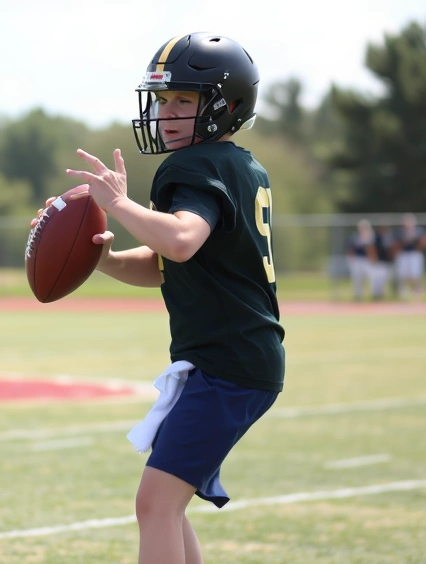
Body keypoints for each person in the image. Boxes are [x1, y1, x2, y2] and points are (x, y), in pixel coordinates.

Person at [33, 33, 284, 564]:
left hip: (229, 362)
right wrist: (100, 258)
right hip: (231, 358)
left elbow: (180, 240)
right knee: (167, 503)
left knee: (156, 504)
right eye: (163, 99)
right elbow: (164, 266)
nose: (167, 112)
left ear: (226, 105)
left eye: (184, 101)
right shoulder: (240, 165)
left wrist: (119, 204)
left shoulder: (192, 168)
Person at [395, 213, 426, 299]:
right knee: (402, 274)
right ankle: (403, 291)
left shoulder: (419, 231)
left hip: (415, 253)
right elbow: (396, 243)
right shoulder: (400, 232)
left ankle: (416, 291)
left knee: (415, 274)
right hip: (404, 254)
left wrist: (421, 244)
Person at [347, 219, 376, 301]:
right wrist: (351, 260)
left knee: (370, 277)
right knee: (357, 278)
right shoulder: (354, 237)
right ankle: (358, 295)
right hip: (357, 259)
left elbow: (371, 249)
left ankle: (373, 294)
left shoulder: (370, 237)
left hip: (366, 260)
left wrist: (372, 259)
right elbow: (351, 249)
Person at [371, 225, 395, 301]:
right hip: (379, 262)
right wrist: (374, 259)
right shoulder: (376, 238)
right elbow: (372, 248)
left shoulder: (389, 238)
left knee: (386, 280)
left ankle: (383, 296)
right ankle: (377, 296)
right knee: (377, 280)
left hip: (387, 262)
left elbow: (392, 249)